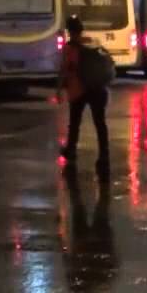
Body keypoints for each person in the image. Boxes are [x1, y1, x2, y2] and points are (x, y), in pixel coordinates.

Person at [59, 16, 110, 178]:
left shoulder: (69, 48)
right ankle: (104, 153)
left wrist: (59, 88)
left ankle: (71, 150)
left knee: (74, 123)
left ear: (70, 31)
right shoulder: (92, 42)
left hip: (78, 90)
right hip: (97, 88)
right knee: (100, 123)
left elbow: (65, 70)